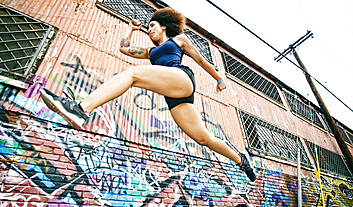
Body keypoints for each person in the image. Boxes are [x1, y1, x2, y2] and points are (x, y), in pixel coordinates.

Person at [40, 7, 255, 181]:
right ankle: (241, 160)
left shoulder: (178, 40)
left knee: (130, 73)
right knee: (203, 138)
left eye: (152, 26)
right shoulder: (150, 52)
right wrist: (131, 29)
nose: (149, 30)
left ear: (164, 26)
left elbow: (200, 59)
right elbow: (125, 48)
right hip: (175, 96)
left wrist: (219, 79)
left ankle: (80, 109)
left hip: (181, 77)